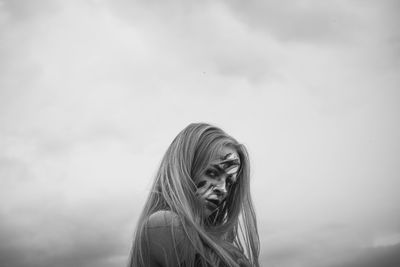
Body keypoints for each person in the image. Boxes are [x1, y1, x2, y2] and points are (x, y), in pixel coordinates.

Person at [128, 123, 260, 267]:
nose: (223, 190)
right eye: (213, 173)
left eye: (229, 182)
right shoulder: (164, 225)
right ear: (186, 168)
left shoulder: (210, 243)